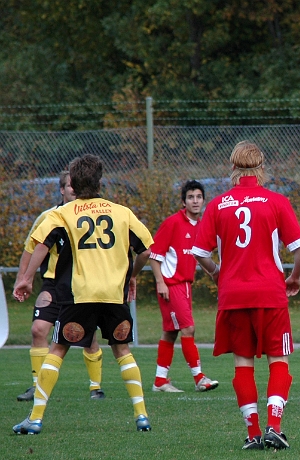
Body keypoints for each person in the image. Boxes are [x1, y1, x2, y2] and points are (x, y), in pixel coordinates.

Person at [12, 154, 154, 434]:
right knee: (122, 351)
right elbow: (146, 250)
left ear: (73, 185)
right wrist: (132, 275)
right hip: (113, 295)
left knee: (57, 350)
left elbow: (41, 244)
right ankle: (142, 416)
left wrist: (26, 279)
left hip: (79, 295)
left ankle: (35, 418)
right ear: (100, 182)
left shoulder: (62, 213)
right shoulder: (122, 212)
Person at [192, 141, 300, 450]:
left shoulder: (218, 204)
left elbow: (199, 252)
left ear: (232, 167)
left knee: (242, 364)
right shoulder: (276, 201)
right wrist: (295, 277)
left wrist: (216, 273)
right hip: (270, 293)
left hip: (233, 295)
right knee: (278, 360)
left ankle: (253, 433)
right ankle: (275, 427)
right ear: (262, 167)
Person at [14, 170, 105, 402]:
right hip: (54, 284)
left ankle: (96, 387)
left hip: (83, 284)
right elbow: (30, 248)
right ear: (62, 190)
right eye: (69, 185)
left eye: (77, 185)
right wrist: (23, 279)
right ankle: (37, 386)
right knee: (38, 330)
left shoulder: (92, 215)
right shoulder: (48, 217)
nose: (74, 189)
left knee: (88, 336)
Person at [150, 180, 219, 393]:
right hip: (172, 285)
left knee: (170, 333)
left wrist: (215, 274)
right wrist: (160, 282)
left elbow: (202, 255)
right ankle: (199, 378)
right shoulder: (172, 223)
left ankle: (160, 381)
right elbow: (154, 255)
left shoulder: (202, 226)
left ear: (203, 200)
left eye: (198, 197)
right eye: (190, 197)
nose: (195, 201)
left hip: (186, 285)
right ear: (183, 202)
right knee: (188, 328)